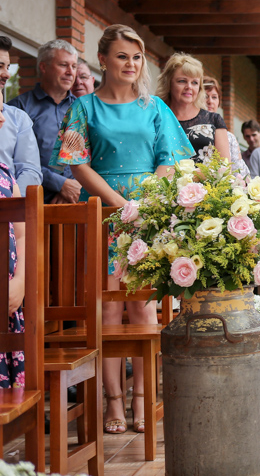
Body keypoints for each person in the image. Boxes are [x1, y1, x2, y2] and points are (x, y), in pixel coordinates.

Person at [50, 24, 193, 436]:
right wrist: (117, 203)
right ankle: (113, 400)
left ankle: (142, 399)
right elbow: (77, 163)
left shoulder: (154, 107)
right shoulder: (84, 108)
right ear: (103, 60)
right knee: (108, 309)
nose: (130, 64)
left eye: (136, 57)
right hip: (103, 212)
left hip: (147, 212)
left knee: (142, 307)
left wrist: (146, 199)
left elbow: (169, 156)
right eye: (121, 56)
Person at [8, 39, 81, 204]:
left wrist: (73, 186)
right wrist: (60, 184)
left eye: (74, 66)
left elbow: (92, 153)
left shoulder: (82, 108)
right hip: (32, 203)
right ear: (43, 67)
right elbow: (12, 159)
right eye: (63, 65)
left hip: (76, 202)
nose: (71, 72)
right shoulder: (19, 109)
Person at [156, 53, 230, 163]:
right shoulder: (156, 118)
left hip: (206, 180)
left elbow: (225, 168)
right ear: (168, 83)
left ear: (199, 88)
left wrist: (193, 176)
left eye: (194, 82)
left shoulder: (214, 120)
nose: (189, 87)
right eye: (182, 81)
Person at [0, 38, 42, 192]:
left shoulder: (18, 119)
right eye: (0, 66)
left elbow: (30, 171)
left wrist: (10, 204)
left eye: (8, 67)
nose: (7, 74)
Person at [0, 163, 27, 389]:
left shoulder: (4, 174)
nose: (3, 123)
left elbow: (22, 234)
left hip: (7, 304)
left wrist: (20, 281)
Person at [201, 77, 248, 176]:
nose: (210, 101)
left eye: (214, 97)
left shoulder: (229, 137)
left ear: (219, 102)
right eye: (205, 96)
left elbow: (241, 172)